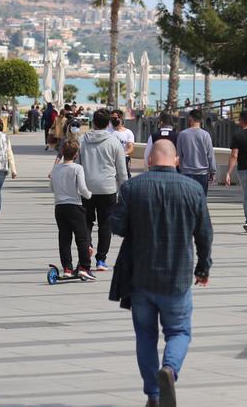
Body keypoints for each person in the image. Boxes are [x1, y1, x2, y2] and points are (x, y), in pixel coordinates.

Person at [111, 139, 212, 407]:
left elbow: (117, 227)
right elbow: (204, 234)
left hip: (141, 278)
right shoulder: (193, 189)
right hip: (177, 278)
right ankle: (169, 369)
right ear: (177, 160)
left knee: (145, 336)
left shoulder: (132, 187)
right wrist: (203, 267)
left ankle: (153, 395)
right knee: (179, 332)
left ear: (150, 161)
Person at [78, 109, 128, 271]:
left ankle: (87, 247)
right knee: (105, 224)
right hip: (107, 189)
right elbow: (121, 171)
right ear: (108, 123)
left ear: (93, 122)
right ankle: (101, 260)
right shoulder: (114, 142)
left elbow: (77, 165)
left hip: (87, 187)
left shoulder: (82, 140)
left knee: (86, 222)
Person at [50, 138, 94, 279]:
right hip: (75, 206)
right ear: (76, 154)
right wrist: (89, 195)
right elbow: (82, 189)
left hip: (59, 207)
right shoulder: (77, 168)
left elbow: (52, 188)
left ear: (62, 152)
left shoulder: (55, 169)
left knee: (64, 238)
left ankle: (67, 268)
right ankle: (84, 267)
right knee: (82, 238)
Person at [175, 108, 215, 194]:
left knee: (187, 200)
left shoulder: (182, 134)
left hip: (186, 173)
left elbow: (179, 155)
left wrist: (180, 169)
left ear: (190, 119)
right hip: (202, 173)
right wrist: (213, 171)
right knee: (201, 200)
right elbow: (210, 155)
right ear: (201, 120)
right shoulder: (206, 135)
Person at [110, 108, 136, 177]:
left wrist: (123, 154)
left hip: (123, 159)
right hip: (109, 159)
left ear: (121, 118)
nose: (113, 120)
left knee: (125, 177)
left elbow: (131, 148)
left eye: (115, 118)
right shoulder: (107, 131)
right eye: (111, 118)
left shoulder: (128, 133)